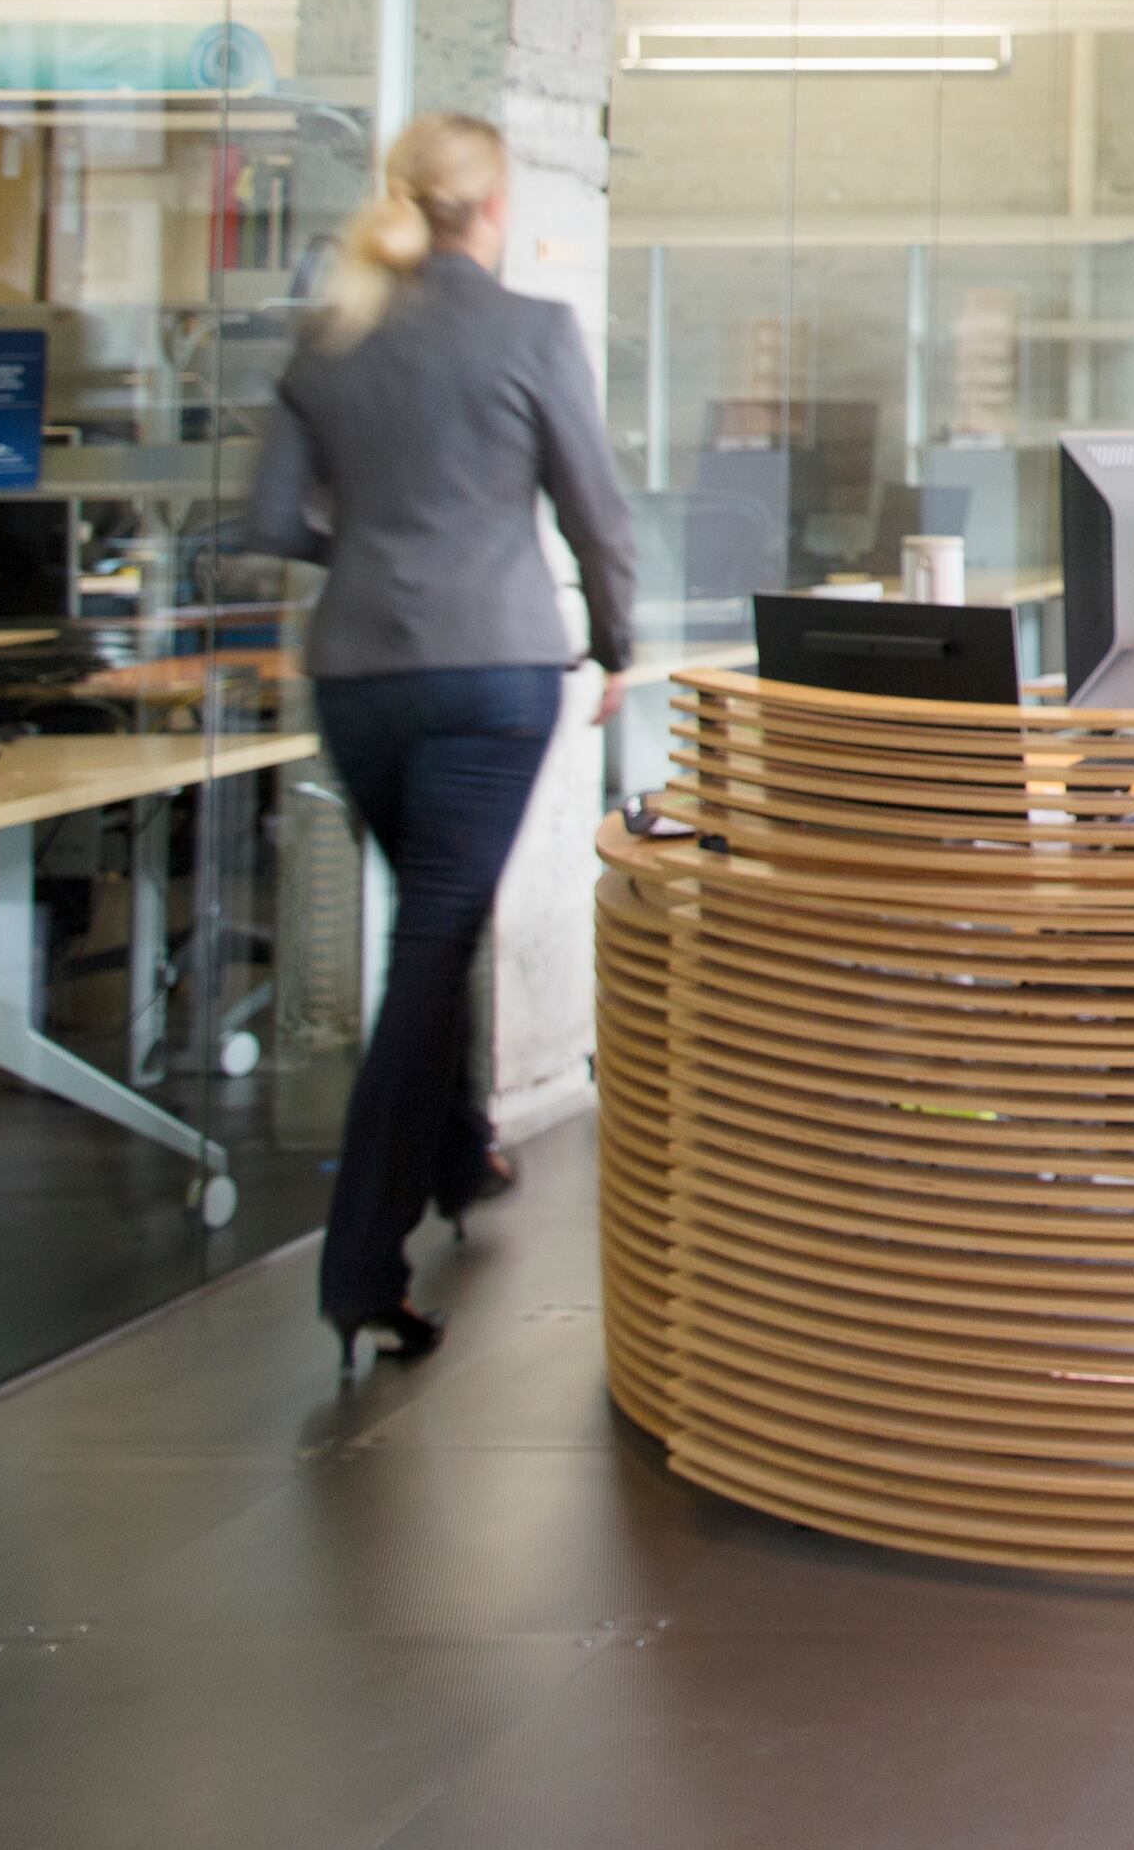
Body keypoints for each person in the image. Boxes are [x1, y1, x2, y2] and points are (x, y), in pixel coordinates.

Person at [248, 114, 635, 1375]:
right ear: (494, 208)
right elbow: (594, 508)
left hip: (358, 670)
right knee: (430, 944)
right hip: (490, 672)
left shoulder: (330, 338)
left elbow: (271, 517)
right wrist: (616, 642)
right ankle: (359, 1266)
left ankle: (460, 1149)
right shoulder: (529, 331)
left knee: (433, 913)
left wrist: (370, 548)